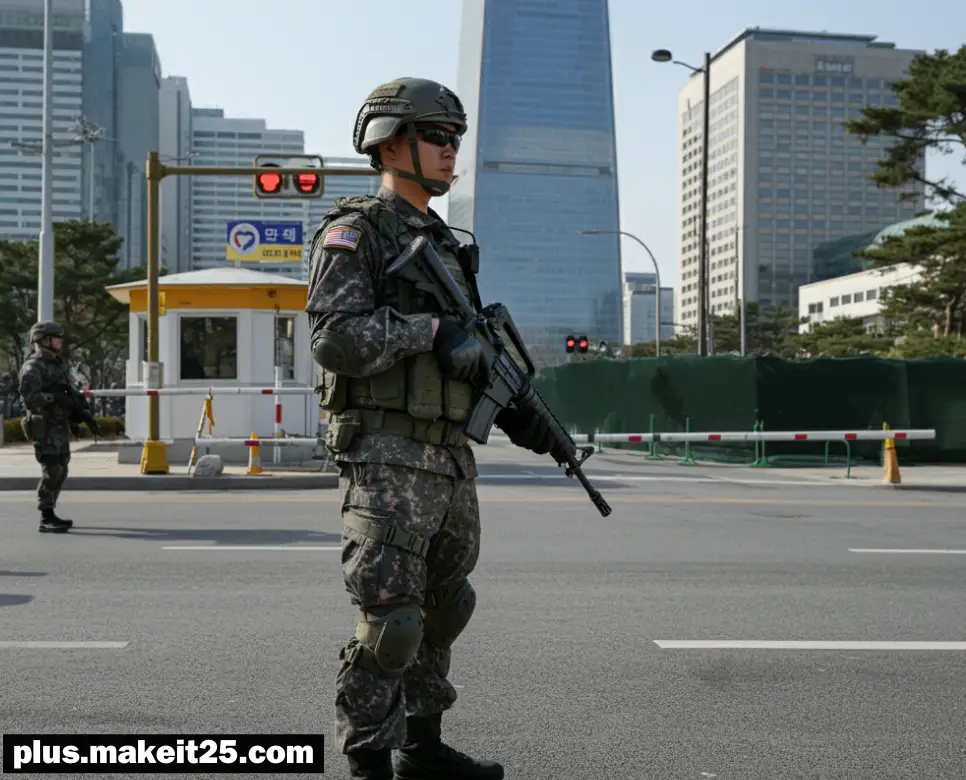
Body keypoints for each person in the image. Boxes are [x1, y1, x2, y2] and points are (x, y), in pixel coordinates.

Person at [306, 77, 558, 780]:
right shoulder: (357, 232)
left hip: (448, 459)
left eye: (456, 140)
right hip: (387, 454)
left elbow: (472, 353)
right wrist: (430, 330)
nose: (452, 152)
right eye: (438, 137)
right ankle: (367, 763)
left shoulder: (444, 243)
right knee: (391, 623)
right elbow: (334, 339)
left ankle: (423, 750)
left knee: (446, 609)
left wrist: (521, 412)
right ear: (389, 142)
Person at [18, 321, 80, 533]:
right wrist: (54, 398)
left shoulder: (55, 363)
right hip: (45, 427)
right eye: (57, 337)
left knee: (62, 469)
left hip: (59, 427)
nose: (60, 341)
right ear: (44, 340)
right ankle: (46, 516)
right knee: (52, 470)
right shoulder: (33, 367)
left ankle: (51, 510)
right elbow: (29, 399)